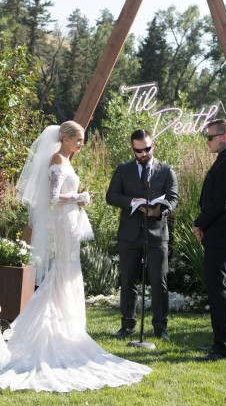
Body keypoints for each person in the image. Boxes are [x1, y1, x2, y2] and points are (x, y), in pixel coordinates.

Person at [0, 121, 151, 392]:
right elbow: (54, 198)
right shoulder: (57, 159)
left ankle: (63, 327)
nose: (81, 145)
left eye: (82, 140)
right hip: (64, 222)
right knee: (64, 271)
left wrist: (79, 199)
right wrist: (79, 197)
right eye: (78, 140)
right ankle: (46, 329)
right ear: (66, 139)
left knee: (68, 271)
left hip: (69, 222)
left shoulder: (65, 159)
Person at [106, 129, 178, 341]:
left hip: (157, 234)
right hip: (129, 234)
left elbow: (173, 198)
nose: (144, 153)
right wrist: (132, 202)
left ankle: (160, 328)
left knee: (159, 281)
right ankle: (127, 325)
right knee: (128, 280)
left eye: (147, 149)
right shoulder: (122, 170)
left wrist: (161, 210)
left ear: (152, 146)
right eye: (139, 151)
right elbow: (111, 196)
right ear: (132, 149)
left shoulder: (166, 170)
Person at [192, 119, 226, 362]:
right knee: (224, 290)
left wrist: (199, 223)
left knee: (220, 291)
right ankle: (225, 342)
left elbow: (219, 204)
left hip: (221, 235)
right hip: (221, 235)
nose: (207, 141)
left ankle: (224, 348)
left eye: (210, 136)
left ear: (224, 137)